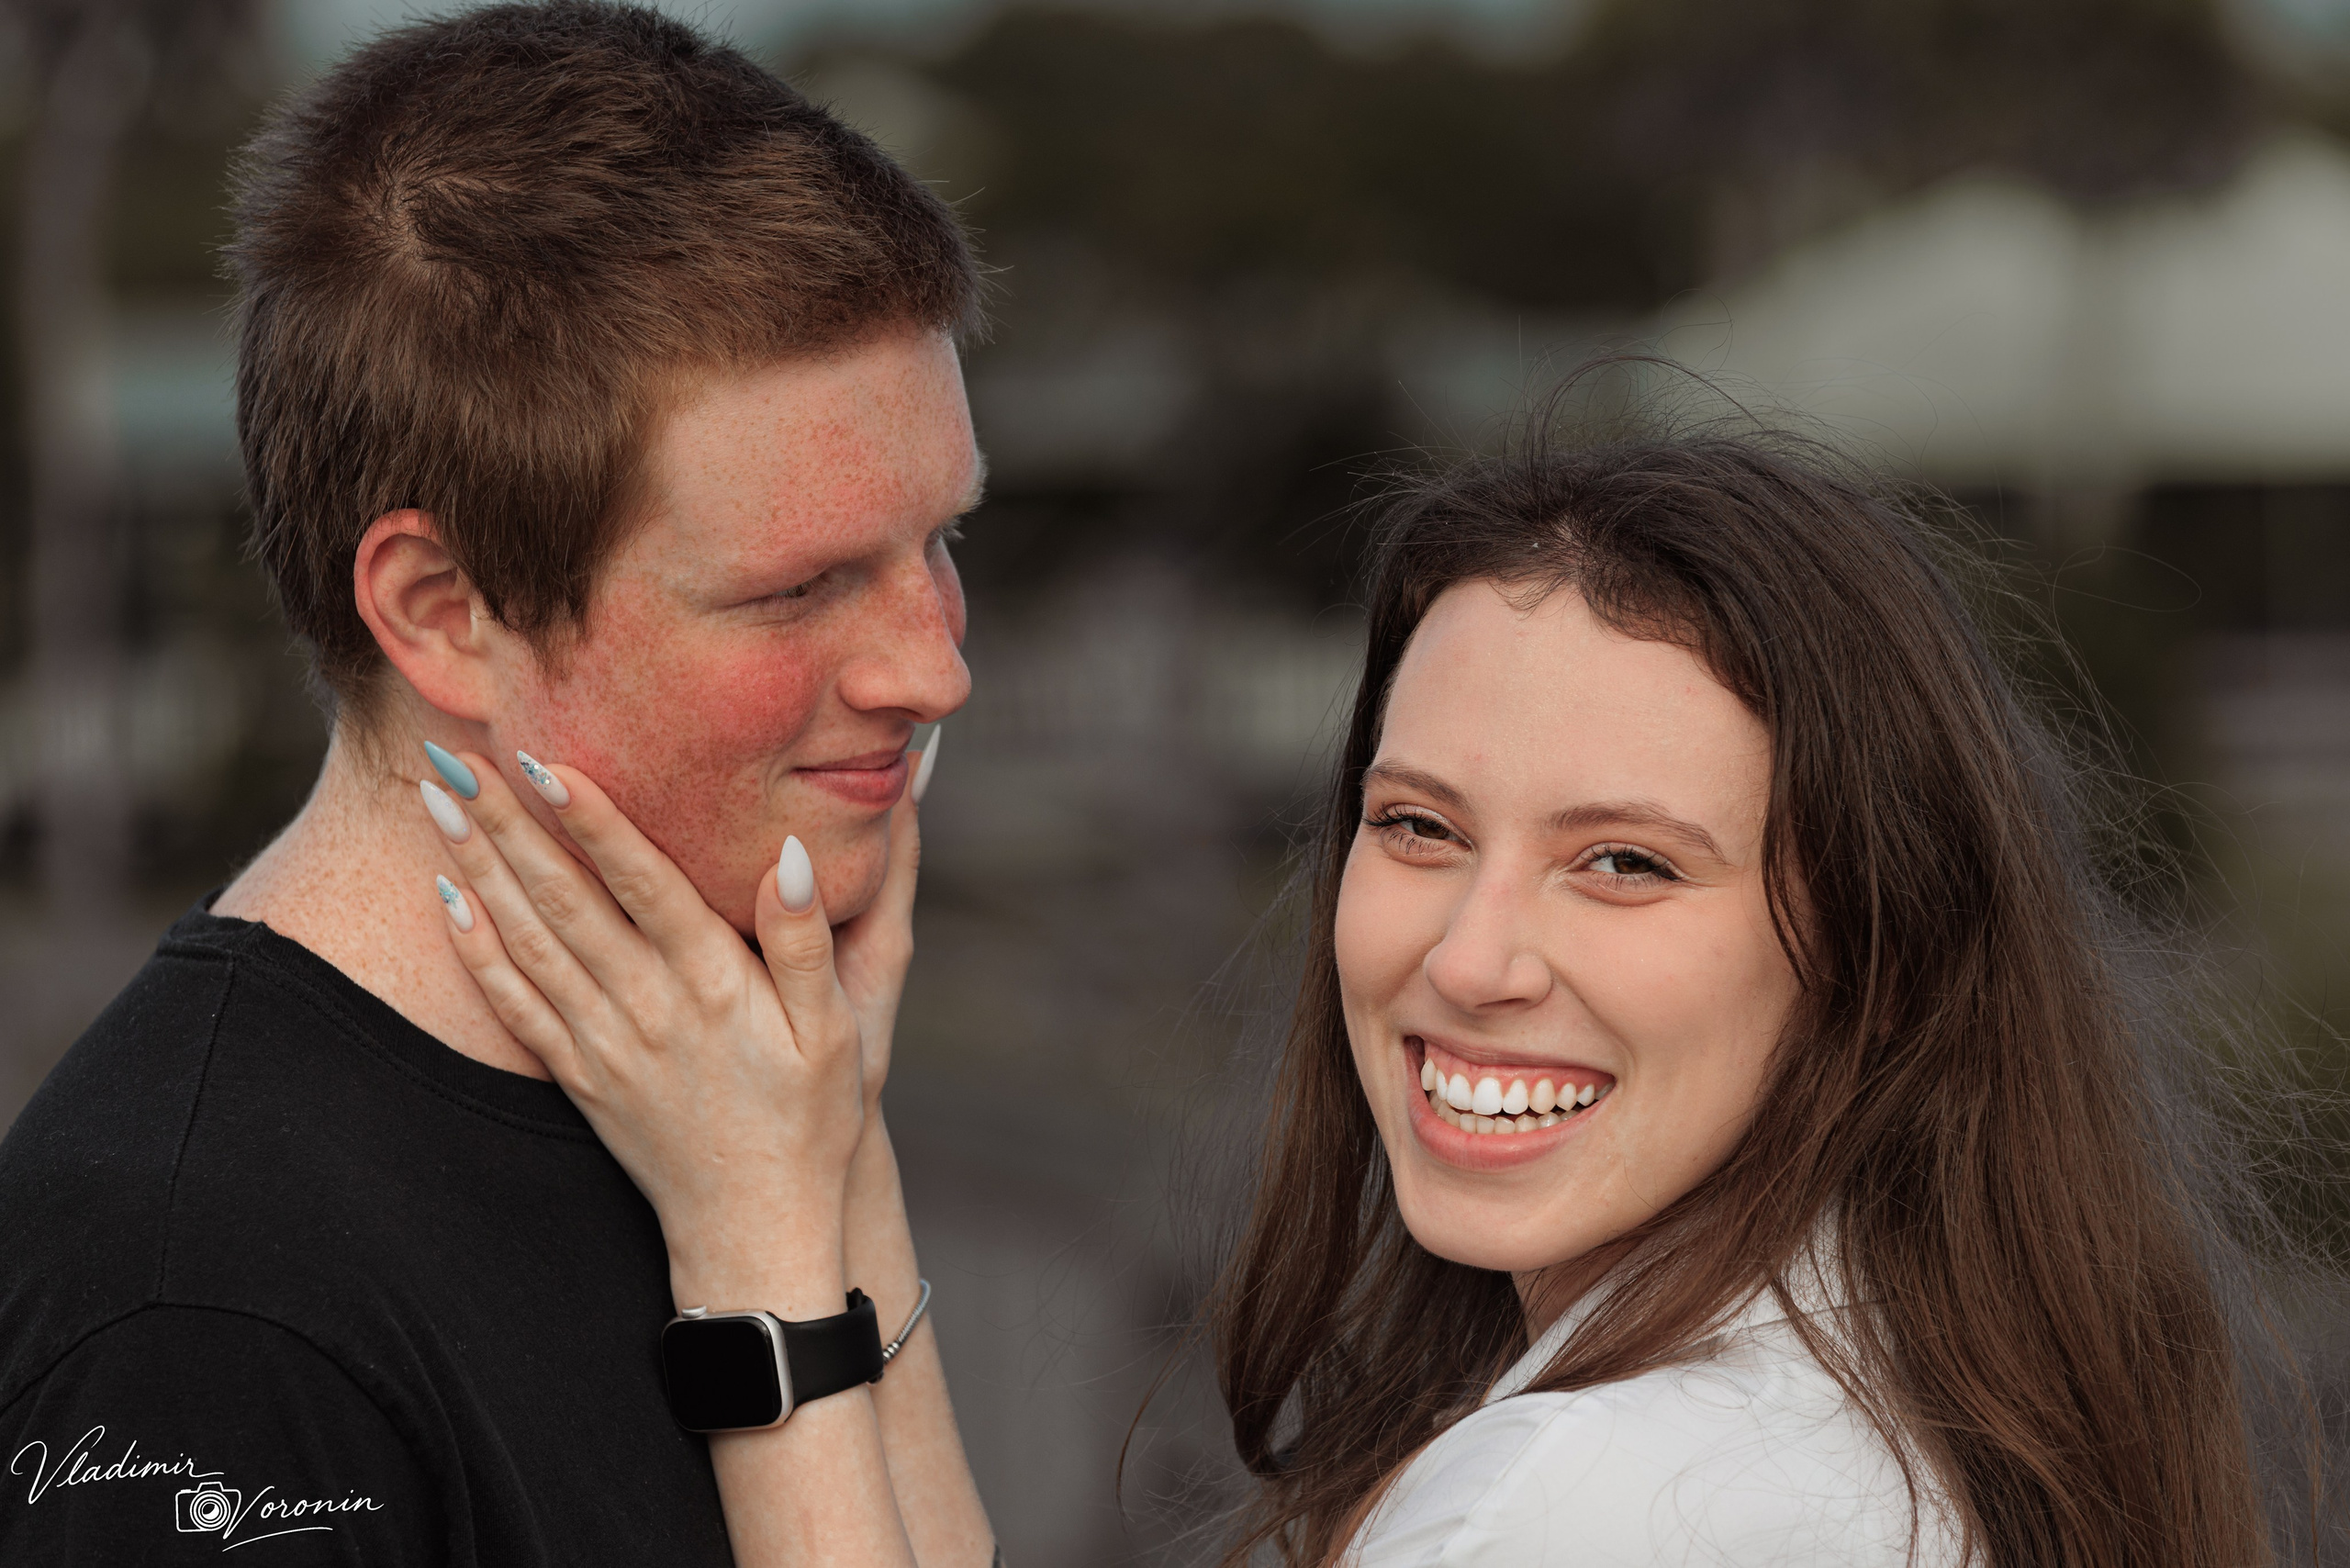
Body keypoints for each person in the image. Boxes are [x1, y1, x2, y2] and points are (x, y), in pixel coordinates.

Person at [422, 425, 2300, 1566]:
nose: (1466, 954)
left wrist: (750, 1245)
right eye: (1415, 824)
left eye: (1621, 860)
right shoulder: (1873, 1387)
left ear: (1875, 960)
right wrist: (825, 1169)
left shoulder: (1590, 1505)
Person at [0, 4, 995, 1563]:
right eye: (797, 591)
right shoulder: (200, 1305)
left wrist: (833, 1159)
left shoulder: (726, 1097)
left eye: (941, 543)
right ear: (443, 612)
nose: (934, 671)